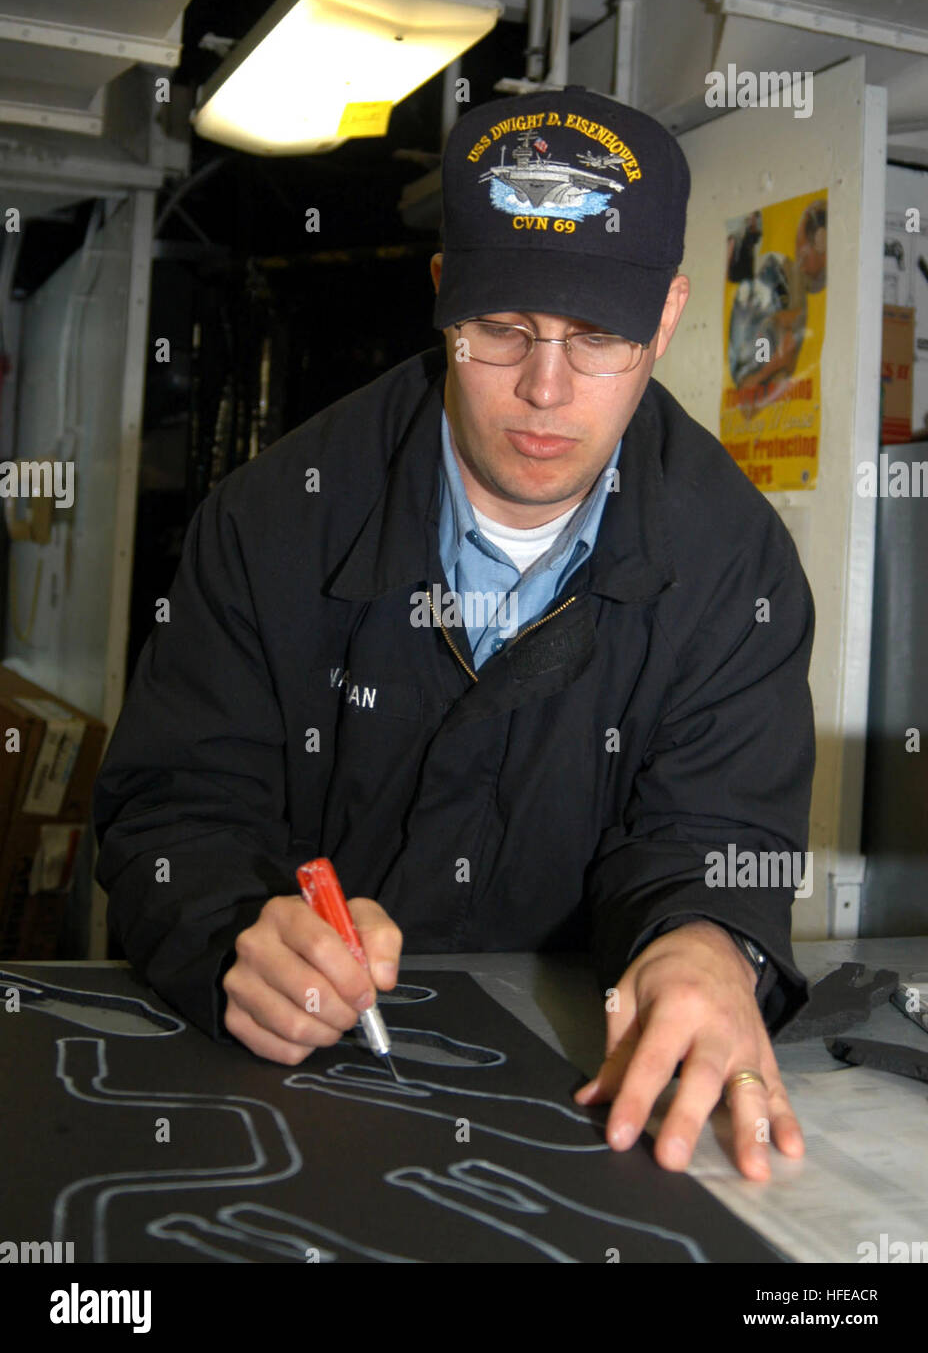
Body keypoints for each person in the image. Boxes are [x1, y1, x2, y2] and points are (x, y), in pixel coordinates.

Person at [93, 85, 815, 1184]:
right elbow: (171, 808)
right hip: (292, 1094)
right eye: (502, 330)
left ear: (666, 321)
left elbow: (716, 830)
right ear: (442, 298)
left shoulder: (734, 562)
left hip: (569, 1105)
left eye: (599, 340)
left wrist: (710, 944)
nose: (544, 388)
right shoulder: (272, 519)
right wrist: (230, 924)